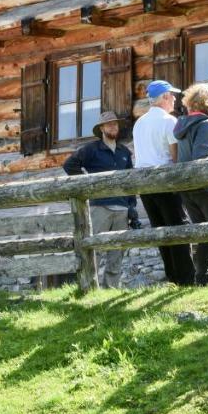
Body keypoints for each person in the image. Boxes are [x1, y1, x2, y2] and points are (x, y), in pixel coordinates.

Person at [132, 79, 195, 285]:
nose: (175, 99)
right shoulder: (169, 121)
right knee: (177, 227)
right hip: (166, 180)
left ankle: (172, 276)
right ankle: (186, 278)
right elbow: (174, 154)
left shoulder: (139, 122)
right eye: (173, 95)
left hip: (144, 183)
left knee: (160, 230)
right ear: (165, 97)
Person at [62, 111, 134, 288]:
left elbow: (130, 182)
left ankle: (110, 288)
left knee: (117, 251)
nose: (113, 127)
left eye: (115, 124)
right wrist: (87, 186)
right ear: (101, 128)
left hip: (122, 209)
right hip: (99, 206)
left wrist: (132, 207)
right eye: (109, 124)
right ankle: (89, 287)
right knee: (95, 249)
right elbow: (69, 165)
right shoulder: (91, 149)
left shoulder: (124, 152)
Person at [174, 83, 208, 285]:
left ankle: (202, 278)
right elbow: (200, 157)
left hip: (188, 189)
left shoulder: (184, 125)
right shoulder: (206, 125)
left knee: (202, 235)